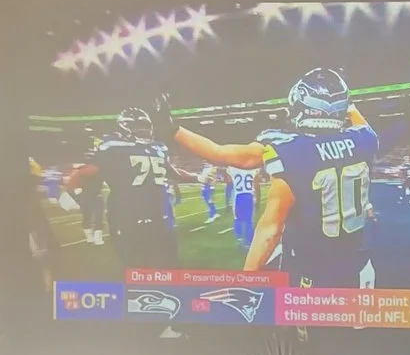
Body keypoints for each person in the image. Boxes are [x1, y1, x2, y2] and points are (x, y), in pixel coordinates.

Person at [158, 69, 381, 287]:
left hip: (313, 274)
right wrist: (343, 99)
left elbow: (269, 230)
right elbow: (355, 117)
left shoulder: (292, 150)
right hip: (359, 268)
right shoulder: (365, 138)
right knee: (355, 322)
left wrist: (172, 129)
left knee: (311, 325)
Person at [80, 106, 180, 271]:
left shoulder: (156, 147)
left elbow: (171, 171)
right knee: (138, 267)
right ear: (124, 128)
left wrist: (197, 177)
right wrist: (69, 189)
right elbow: (88, 173)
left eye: (145, 125)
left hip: (158, 217)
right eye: (137, 126)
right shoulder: (113, 146)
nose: (142, 130)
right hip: (129, 219)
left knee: (167, 267)